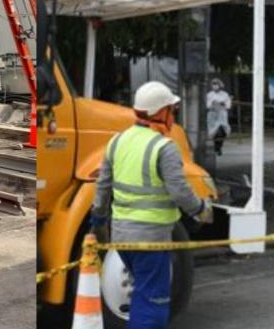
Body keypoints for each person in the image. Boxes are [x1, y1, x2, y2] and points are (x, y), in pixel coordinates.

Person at [91, 81, 214, 329]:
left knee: (142, 295)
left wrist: (99, 222)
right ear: (160, 112)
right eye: (172, 111)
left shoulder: (117, 142)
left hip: (121, 239)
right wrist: (201, 210)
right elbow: (180, 192)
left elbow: (102, 187)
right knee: (153, 306)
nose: (173, 117)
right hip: (151, 240)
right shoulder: (164, 148)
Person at [205, 78, 232, 156]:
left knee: (222, 131)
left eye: (216, 84)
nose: (215, 86)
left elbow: (228, 105)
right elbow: (207, 105)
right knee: (214, 132)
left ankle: (219, 147)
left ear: (220, 85)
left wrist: (223, 104)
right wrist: (213, 103)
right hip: (213, 114)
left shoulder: (225, 94)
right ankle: (217, 147)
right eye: (213, 84)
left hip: (222, 114)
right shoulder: (209, 95)